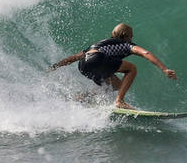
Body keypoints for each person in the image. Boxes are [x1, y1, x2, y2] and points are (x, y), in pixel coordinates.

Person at [49, 23, 177, 109]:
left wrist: (55, 66)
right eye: (131, 35)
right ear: (125, 36)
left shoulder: (99, 44)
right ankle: (119, 101)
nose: (132, 38)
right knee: (132, 69)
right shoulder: (126, 44)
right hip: (98, 59)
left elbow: (74, 58)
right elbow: (146, 53)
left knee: (115, 85)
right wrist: (164, 69)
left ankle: (80, 98)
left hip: (83, 65)